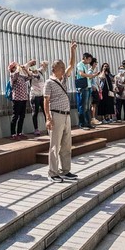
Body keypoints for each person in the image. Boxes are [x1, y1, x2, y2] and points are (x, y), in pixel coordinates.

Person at [43, 41, 78, 183]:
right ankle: (52, 173)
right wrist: (48, 118)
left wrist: (72, 51)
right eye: (61, 67)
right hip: (56, 114)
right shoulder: (49, 82)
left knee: (66, 145)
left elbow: (71, 65)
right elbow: (46, 101)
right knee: (55, 146)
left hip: (66, 115)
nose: (64, 69)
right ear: (54, 69)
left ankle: (65, 170)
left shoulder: (63, 79)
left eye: (64, 67)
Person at [8, 60, 32, 139]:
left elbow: (30, 76)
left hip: (23, 98)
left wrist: (25, 69)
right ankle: (13, 134)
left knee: (22, 116)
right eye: (14, 67)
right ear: (12, 68)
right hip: (17, 99)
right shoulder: (12, 75)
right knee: (15, 116)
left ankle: (19, 132)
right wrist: (19, 66)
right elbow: (17, 73)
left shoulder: (21, 77)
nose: (16, 68)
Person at [74, 52, 98, 130]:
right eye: (89, 59)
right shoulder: (80, 64)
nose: (90, 61)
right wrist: (90, 75)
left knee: (87, 107)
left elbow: (87, 76)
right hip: (83, 88)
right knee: (83, 106)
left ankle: (88, 123)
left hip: (88, 87)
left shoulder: (84, 66)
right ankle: (82, 124)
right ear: (85, 58)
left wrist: (93, 75)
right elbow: (81, 74)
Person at [28, 60, 49, 136]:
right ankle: (36, 129)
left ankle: (48, 128)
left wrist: (43, 63)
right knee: (35, 112)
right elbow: (24, 69)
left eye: (34, 65)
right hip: (34, 95)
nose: (33, 66)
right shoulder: (30, 74)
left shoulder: (40, 71)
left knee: (46, 112)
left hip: (42, 95)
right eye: (32, 65)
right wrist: (28, 64)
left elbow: (46, 65)